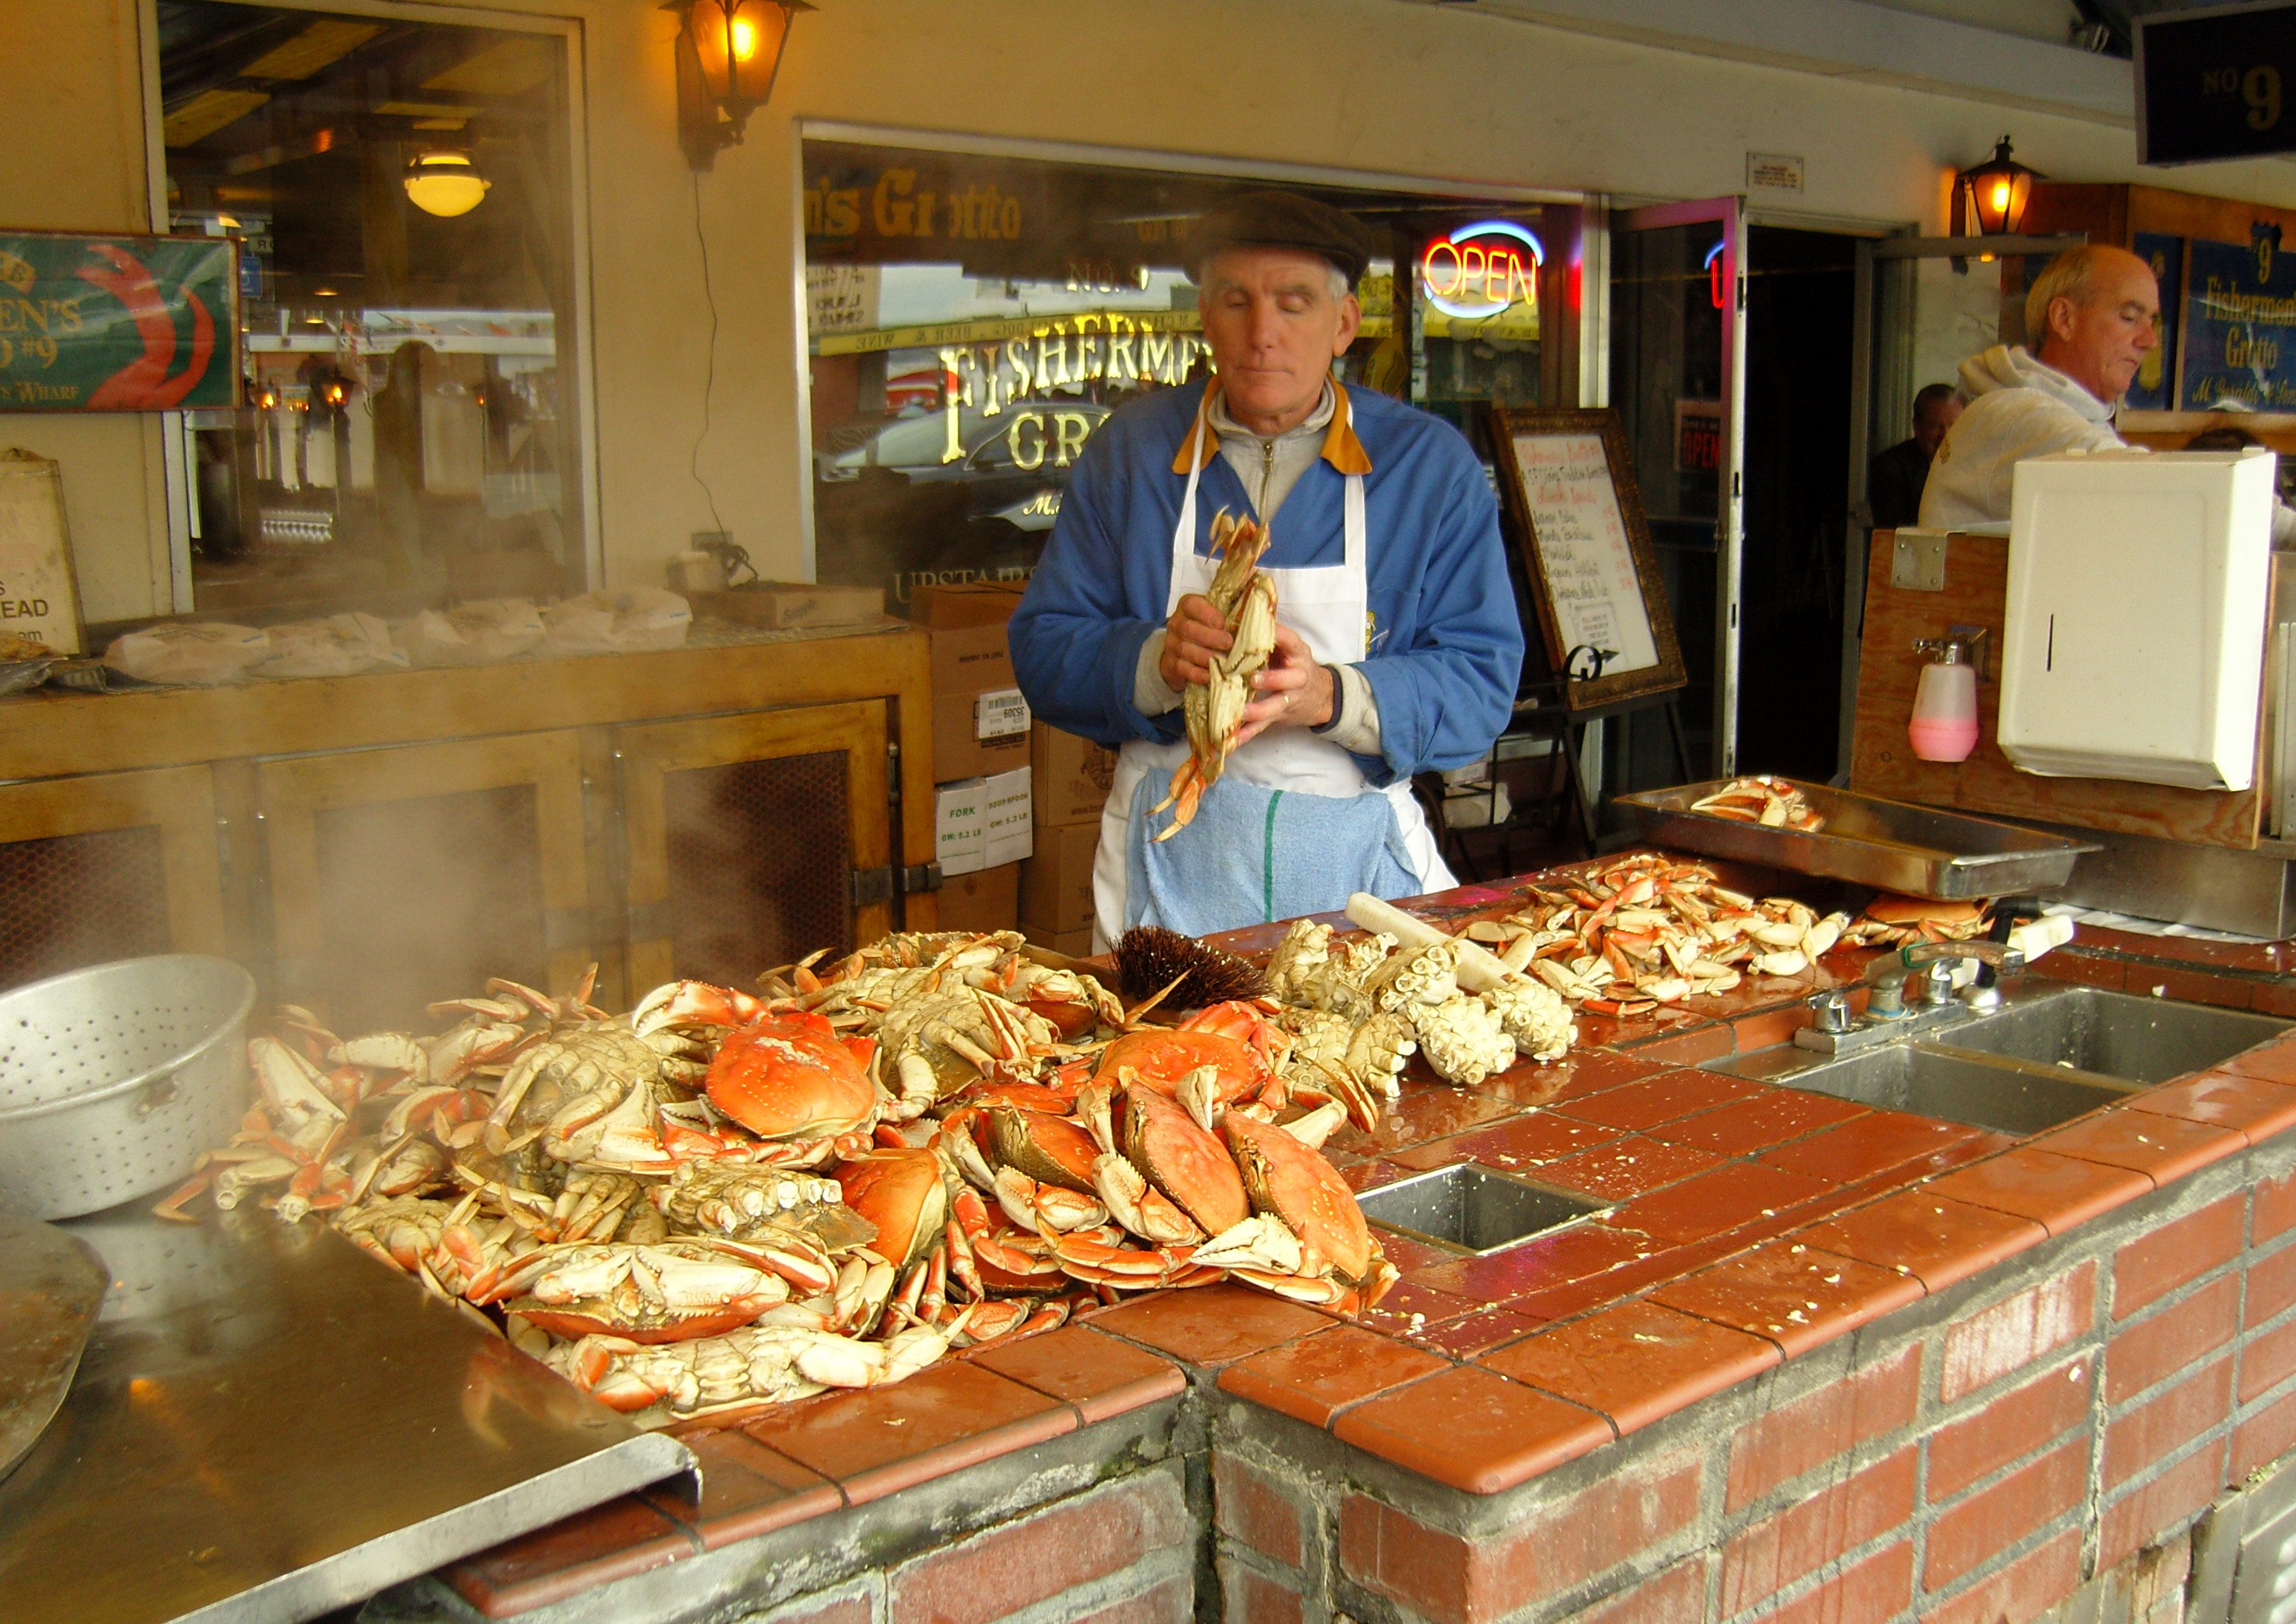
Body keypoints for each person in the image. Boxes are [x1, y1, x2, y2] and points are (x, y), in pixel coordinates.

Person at [1007, 191, 1522, 948]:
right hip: (1166, 871)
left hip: (1358, 884)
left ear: (1343, 324)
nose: (1262, 333)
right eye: (1235, 301)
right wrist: (1155, 664)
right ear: (1205, 316)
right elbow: (1045, 646)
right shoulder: (1134, 451)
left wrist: (1330, 694)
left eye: (1294, 302)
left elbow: (1482, 680)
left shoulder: (1426, 466)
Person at [1922, 244, 2296, 543]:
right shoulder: (2017, 414)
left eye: (2152, 321)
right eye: (2130, 318)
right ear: (2064, 319)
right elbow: (2174, 493)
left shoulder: (2046, 412)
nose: (2149, 341)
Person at [1867, 383, 1961, 529]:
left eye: (1953, 426)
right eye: (1936, 426)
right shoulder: (1890, 468)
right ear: (1917, 427)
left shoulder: (1973, 465)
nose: (1946, 435)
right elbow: (1893, 533)